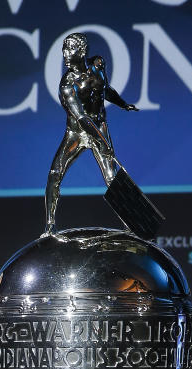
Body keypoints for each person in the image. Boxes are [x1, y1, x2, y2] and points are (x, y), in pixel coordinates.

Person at [44, 33, 138, 233]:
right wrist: (103, 142)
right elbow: (82, 119)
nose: (65, 54)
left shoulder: (98, 64)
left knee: (111, 175)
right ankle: (50, 226)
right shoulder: (67, 85)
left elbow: (105, 89)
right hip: (77, 133)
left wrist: (123, 104)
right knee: (55, 174)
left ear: (82, 51)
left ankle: (132, 223)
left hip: (99, 124)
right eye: (64, 48)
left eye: (70, 48)